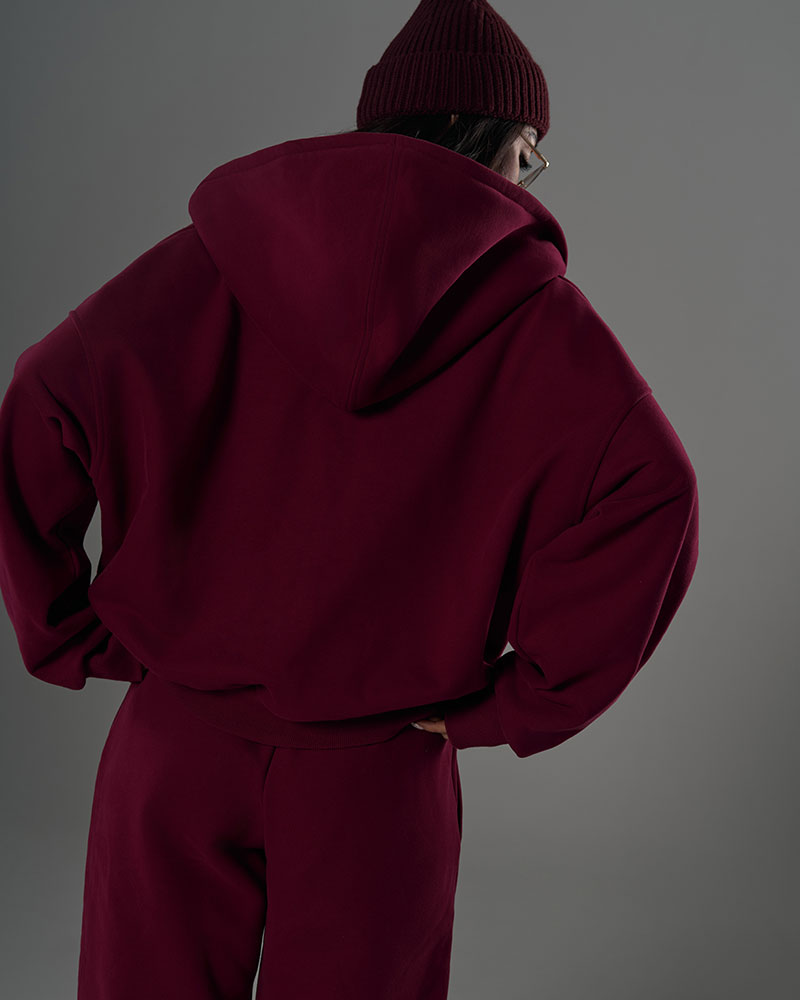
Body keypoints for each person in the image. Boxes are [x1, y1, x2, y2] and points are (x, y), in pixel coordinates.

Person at [0, 1, 699, 998]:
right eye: (527, 155)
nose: (525, 179)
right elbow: (652, 490)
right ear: (485, 135)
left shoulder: (212, 258)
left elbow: (41, 401)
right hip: (376, 769)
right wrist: (513, 702)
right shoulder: (535, 316)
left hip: (175, 745)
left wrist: (68, 630)